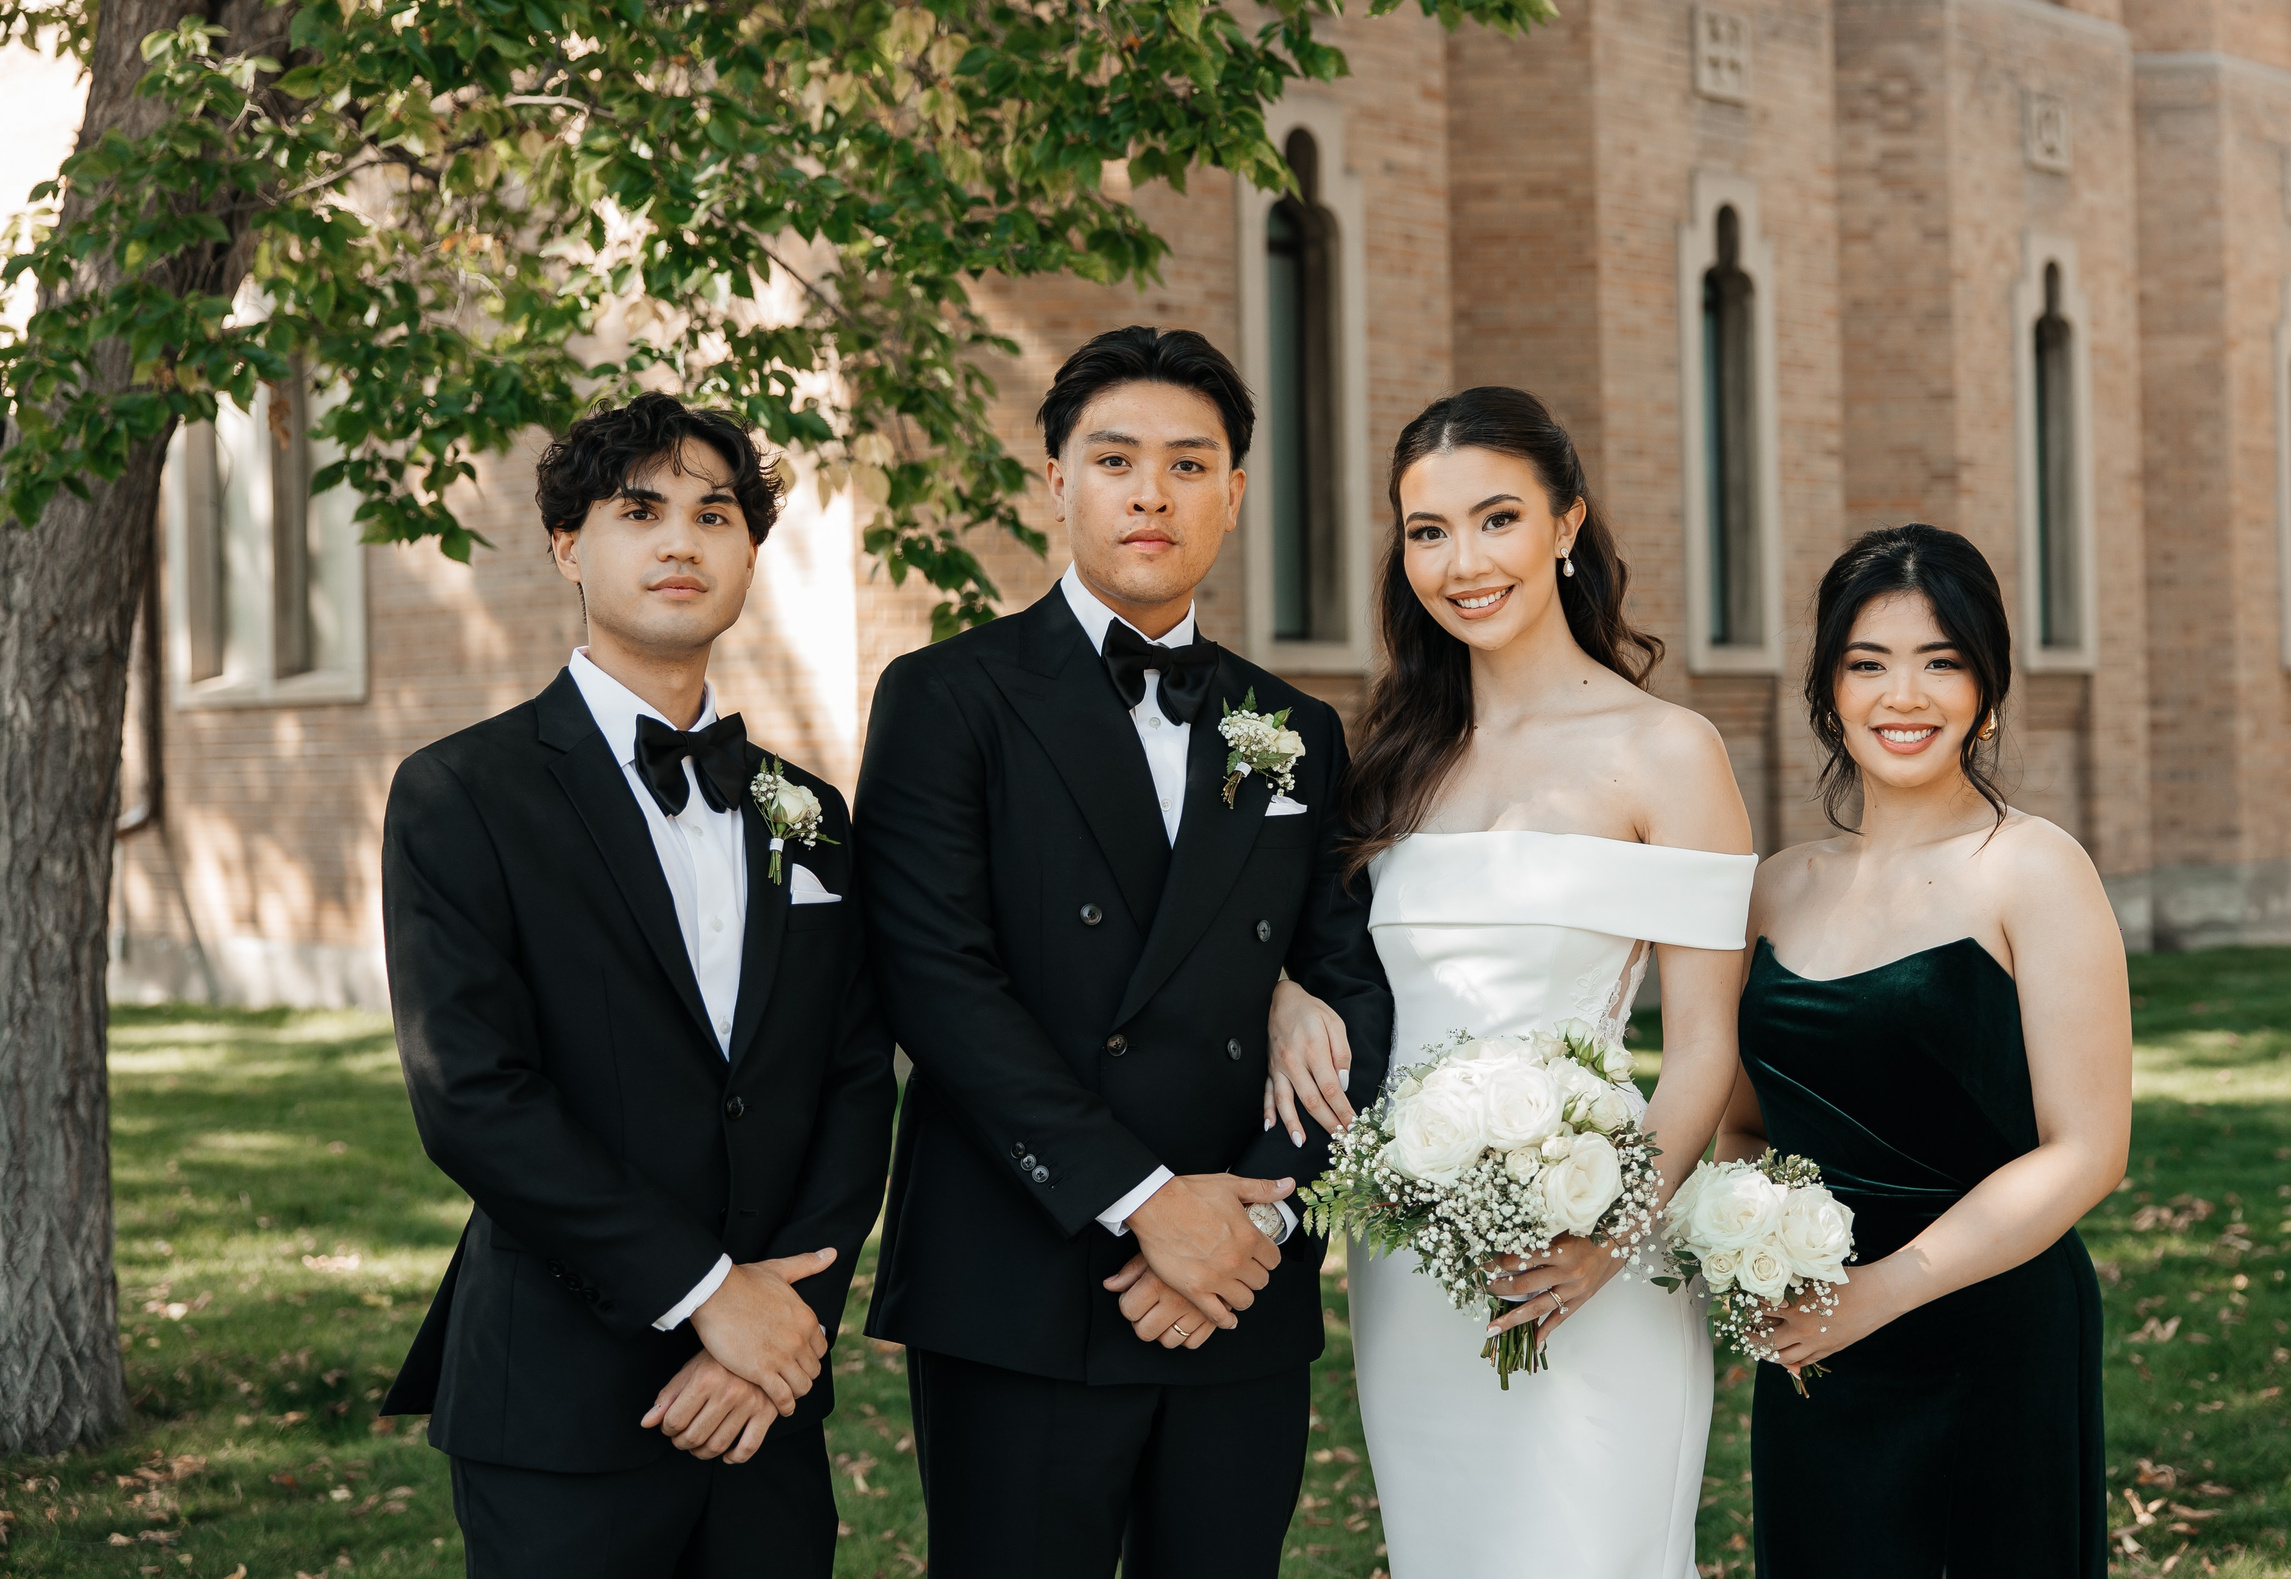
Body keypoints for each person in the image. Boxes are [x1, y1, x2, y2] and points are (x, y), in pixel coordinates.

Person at [853, 325, 1396, 1579]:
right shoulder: (947, 698)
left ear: (1233, 495)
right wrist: (1147, 1206)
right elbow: (938, 984)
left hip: (1236, 1284)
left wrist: (1258, 1221)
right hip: (1025, 1273)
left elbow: (1352, 986)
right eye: (1115, 460)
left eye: (1188, 465)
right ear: (1057, 481)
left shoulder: (1294, 727)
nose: (1152, 493)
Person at [377, 393, 897, 1576]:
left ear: (750, 554)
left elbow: (855, 1078)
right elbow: (473, 1096)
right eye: (639, 511)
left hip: (768, 1398)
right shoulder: (462, 794)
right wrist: (707, 1294)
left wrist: (784, 1321)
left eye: (714, 516)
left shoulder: (808, 814)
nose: (680, 542)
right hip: (560, 1401)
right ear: (569, 546)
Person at [1267, 386, 1756, 1579]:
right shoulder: (1394, 763)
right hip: (1410, 1262)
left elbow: (1706, 1047)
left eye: (1497, 520)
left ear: (1566, 524)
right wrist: (1283, 994)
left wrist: (1607, 1236)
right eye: (1428, 532)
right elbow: (1321, 957)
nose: (1463, 563)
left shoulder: (1666, 752)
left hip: (1594, 1237)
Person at [1721, 523, 2130, 1576]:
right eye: (1868, 664)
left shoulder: (2032, 869)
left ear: (1985, 690)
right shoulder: (1776, 887)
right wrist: (1745, 1250)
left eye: (1939, 663)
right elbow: (1742, 1123)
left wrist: (1884, 1289)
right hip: (1814, 1340)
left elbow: (2087, 1150)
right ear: (1829, 691)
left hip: (1985, 1334)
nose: (1902, 696)